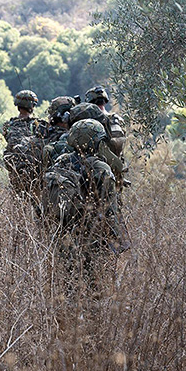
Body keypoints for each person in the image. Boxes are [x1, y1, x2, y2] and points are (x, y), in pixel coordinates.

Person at [42, 119, 129, 292]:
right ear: (96, 142)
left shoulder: (61, 161)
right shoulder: (100, 168)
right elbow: (110, 210)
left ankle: (67, 316)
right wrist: (118, 242)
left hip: (63, 236)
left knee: (68, 286)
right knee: (94, 288)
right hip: (91, 238)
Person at [2, 90, 41, 191]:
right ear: (32, 107)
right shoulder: (37, 125)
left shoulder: (8, 125)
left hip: (13, 165)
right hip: (32, 166)